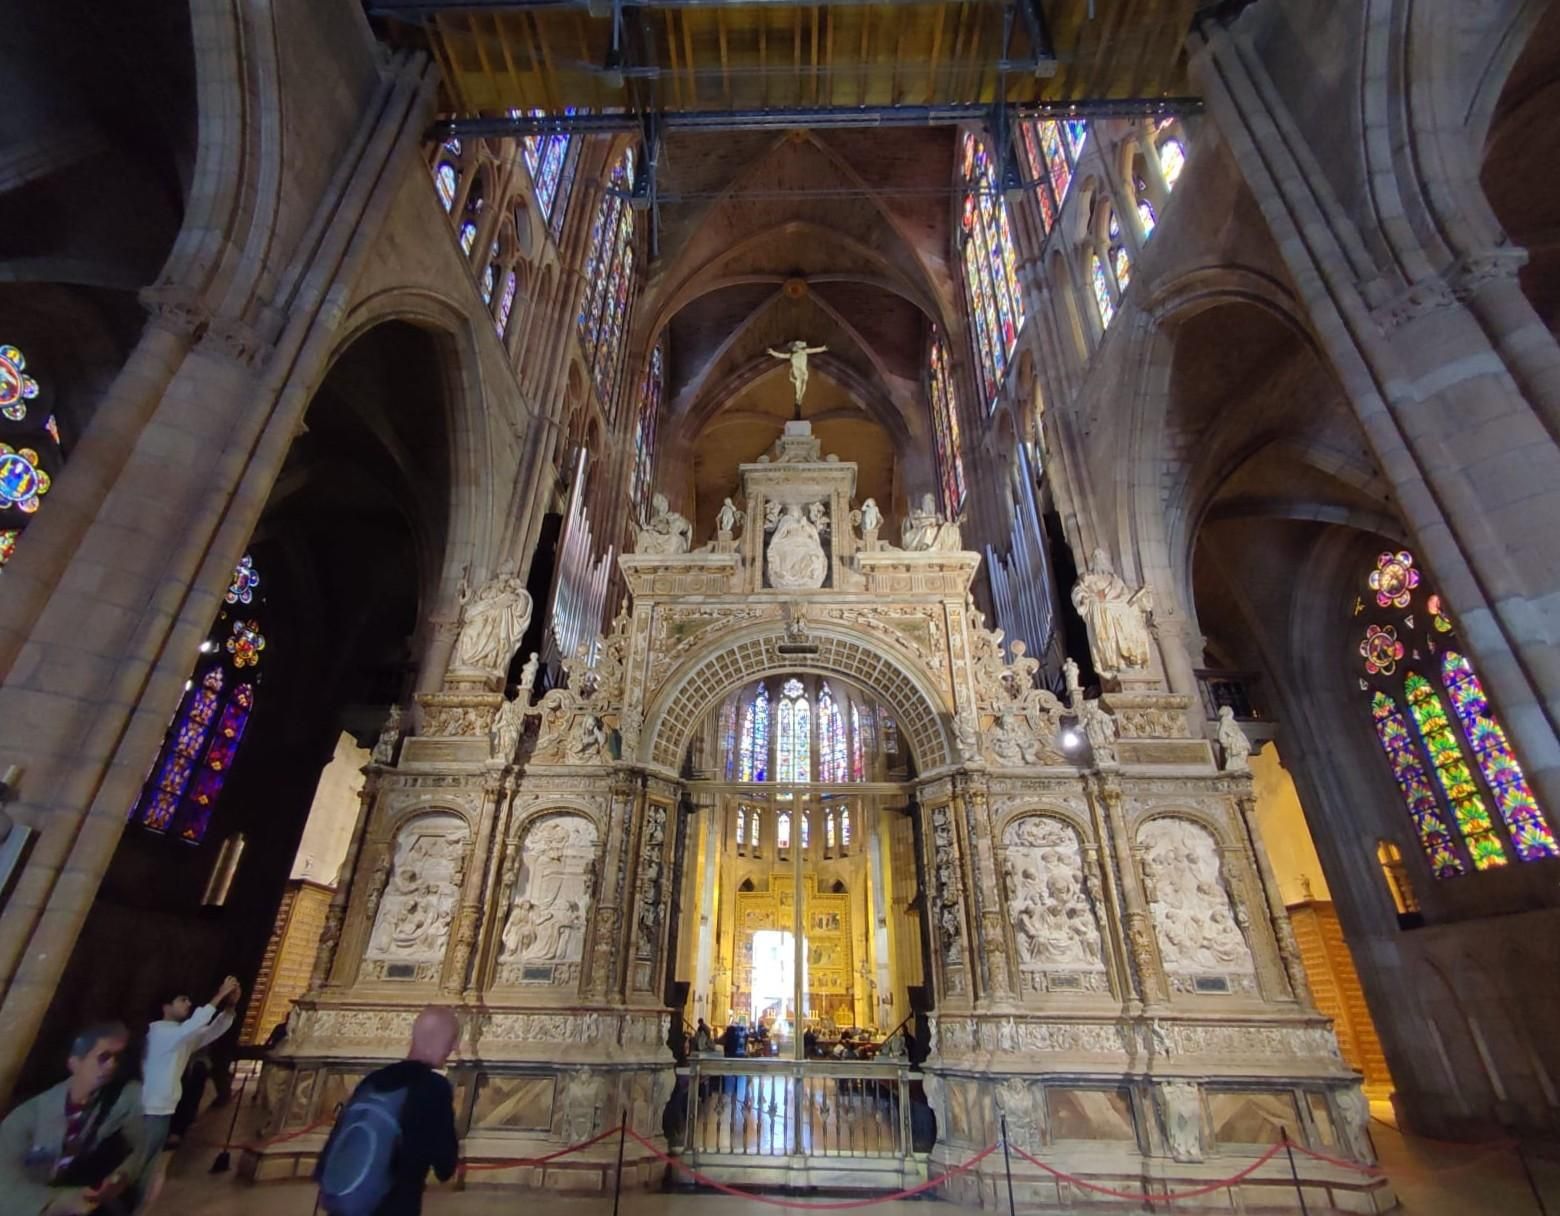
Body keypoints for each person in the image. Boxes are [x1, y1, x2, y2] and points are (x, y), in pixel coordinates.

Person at [317, 1005, 460, 1216]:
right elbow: (445, 1166)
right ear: (442, 1043)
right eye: (451, 1042)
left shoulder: (371, 1081)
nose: (453, 1050)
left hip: (350, 1203)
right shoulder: (435, 1088)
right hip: (394, 1207)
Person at [0, 1020, 149, 1215]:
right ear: (75, 1063)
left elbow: (143, 1143)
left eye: (117, 1058)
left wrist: (122, 1176)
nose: (112, 1065)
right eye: (103, 1057)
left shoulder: (122, 1098)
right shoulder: (26, 1118)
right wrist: (60, 1201)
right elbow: (5, 1186)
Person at [141, 975, 240, 1158]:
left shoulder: (179, 1036)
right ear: (166, 1006)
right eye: (182, 1000)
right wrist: (220, 995)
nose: (188, 1003)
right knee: (142, 1158)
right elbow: (195, 1024)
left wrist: (229, 1006)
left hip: (166, 1108)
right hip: (150, 1108)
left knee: (152, 1160)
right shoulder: (160, 1033)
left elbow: (211, 1031)